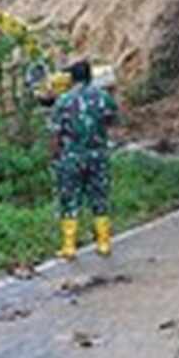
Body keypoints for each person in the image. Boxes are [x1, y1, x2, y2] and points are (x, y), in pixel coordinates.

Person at [50, 60, 119, 260]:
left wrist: (54, 155)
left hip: (71, 157)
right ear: (90, 76)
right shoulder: (103, 97)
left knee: (69, 199)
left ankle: (69, 247)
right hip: (98, 156)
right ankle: (104, 243)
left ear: (72, 78)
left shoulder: (63, 101)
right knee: (99, 198)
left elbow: (55, 134)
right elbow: (112, 120)